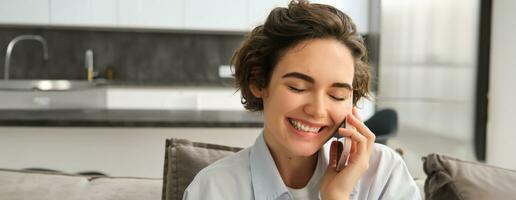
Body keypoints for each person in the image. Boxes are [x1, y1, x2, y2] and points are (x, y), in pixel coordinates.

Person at [183, 0, 421, 199]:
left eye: (337, 95)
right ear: (259, 82)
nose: (318, 110)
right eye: (298, 87)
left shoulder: (383, 174)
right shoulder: (214, 189)